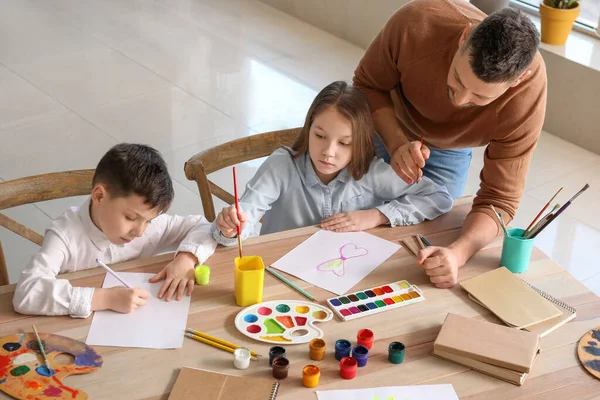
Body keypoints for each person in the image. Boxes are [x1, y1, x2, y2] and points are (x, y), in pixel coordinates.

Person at [353, 1, 546, 288]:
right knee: (354, 220)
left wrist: (458, 254)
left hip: (453, 149)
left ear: (518, 80)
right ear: (462, 38)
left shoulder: (528, 95)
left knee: (431, 241)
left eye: (479, 98)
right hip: (389, 122)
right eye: (456, 79)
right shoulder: (415, 22)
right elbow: (367, 84)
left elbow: (499, 199)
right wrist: (395, 143)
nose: (458, 100)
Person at [211, 81, 452, 245]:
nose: (328, 152)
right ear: (309, 127)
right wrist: (231, 229)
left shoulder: (371, 172)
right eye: (320, 136)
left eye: (344, 143)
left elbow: (439, 198)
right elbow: (245, 216)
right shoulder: (282, 166)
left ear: (360, 143)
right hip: (280, 273)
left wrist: (377, 215)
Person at [13, 143, 217, 318]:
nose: (139, 231)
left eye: (148, 221)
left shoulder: (147, 226)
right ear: (99, 196)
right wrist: (106, 298)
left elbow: (205, 227)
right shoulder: (64, 236)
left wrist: (187, 257)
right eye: (130, 218)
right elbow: (27, 293)